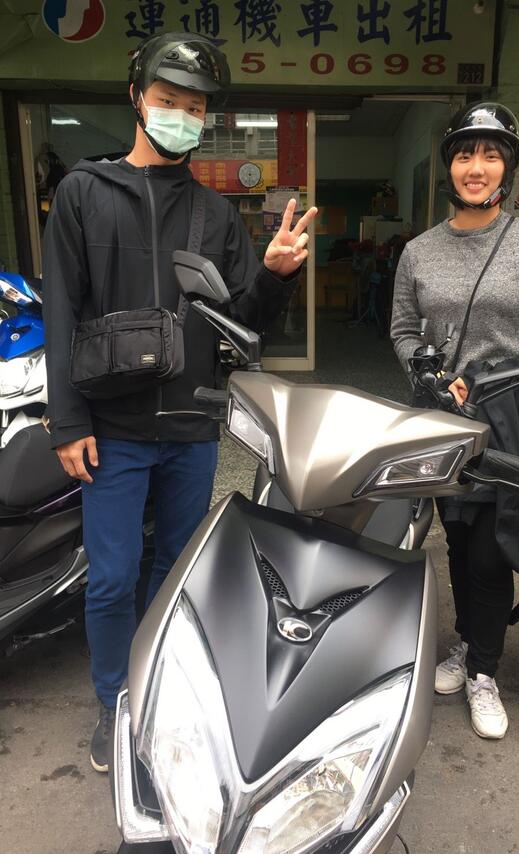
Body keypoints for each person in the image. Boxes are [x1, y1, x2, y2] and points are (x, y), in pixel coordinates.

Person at [42, 32, 316, 773]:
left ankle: (162, 691)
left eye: (196, 108)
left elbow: (244, 325)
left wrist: (275, 275)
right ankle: (114, 701)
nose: (183, 117)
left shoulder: (216, 216)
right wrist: (67, 420)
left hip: (192, 425)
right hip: (111, 428)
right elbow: (61, 312)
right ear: (137, 99)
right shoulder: (82, 195)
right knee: (111, 577)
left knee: (174, 572)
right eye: (169, 101)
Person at [390, 102, 519, 739]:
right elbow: (403, 330)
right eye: (466, 154)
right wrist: (430, 374)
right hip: (445, 420)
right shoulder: (418, 251)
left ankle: (484, 673)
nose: (477, 167)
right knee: (458, 540)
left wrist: (492, 380)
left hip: (512, 422)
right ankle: (468, 643)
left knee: (493, 551)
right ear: (450, 166)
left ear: (506, 168)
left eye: (490, 155)